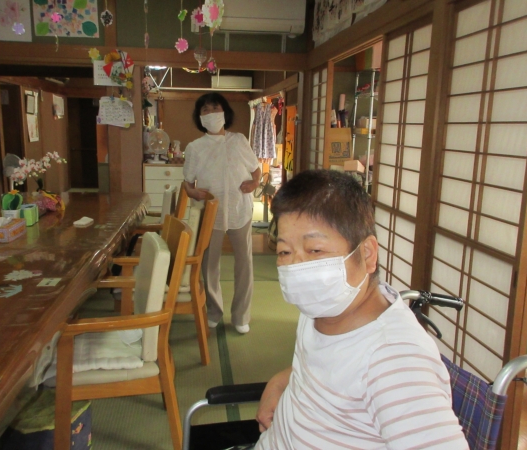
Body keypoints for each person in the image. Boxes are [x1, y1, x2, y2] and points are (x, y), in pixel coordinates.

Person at [254, 170, 468, 449]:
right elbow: (327, 368)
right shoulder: (322, 307)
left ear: (367, 254)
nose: (296, 266)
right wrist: (281, 381)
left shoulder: (394, 359)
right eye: (284, 252)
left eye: (315, 250)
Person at [183, 93, 261, 334]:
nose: (211, 113)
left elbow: (256, 169)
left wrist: (254, 183)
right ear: (199, 117)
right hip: (211, 212)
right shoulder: (195, 148)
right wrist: (193, 193)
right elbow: (188, 183)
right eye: (205, 110)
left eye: (215, 108)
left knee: (244, 262)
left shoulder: (238, 140)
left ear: (225, 112)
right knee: (209, 264)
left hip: (240, 209)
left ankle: (241, 316)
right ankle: (214, 311)